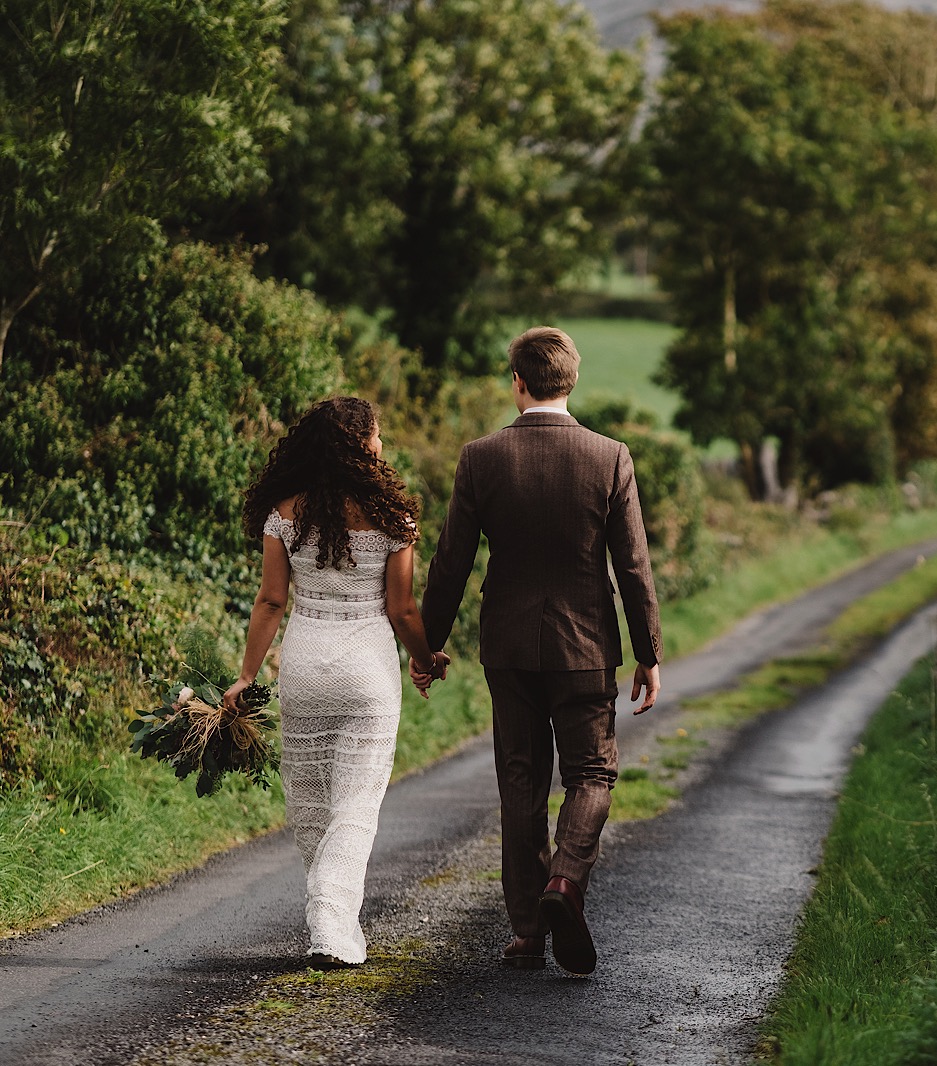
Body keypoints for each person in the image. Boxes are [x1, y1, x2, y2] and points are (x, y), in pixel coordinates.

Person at [413, 325, 662, 977]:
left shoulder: (481, 458)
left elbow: (451, 564)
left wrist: (426, 645)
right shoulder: (611, 457)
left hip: (509, 645)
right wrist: (649, 651)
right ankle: (565, 882)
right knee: (592, 775)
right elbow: (633, 566)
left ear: (516, 382)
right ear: (571, 380)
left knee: (520, 781)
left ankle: (527, 931)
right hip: (585, 647)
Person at [224, 396, 446, 969]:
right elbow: (402, 611)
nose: (380, 443)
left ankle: (330, 918)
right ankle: (331, 918)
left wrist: (248, 675)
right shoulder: (394, 517)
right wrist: (426, 660)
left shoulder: (284, 513)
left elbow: (272, 600)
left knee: (311, 803)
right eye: (376, 434)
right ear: (361, 444)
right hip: (369, 668)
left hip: (305, 664)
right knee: (357, 805)